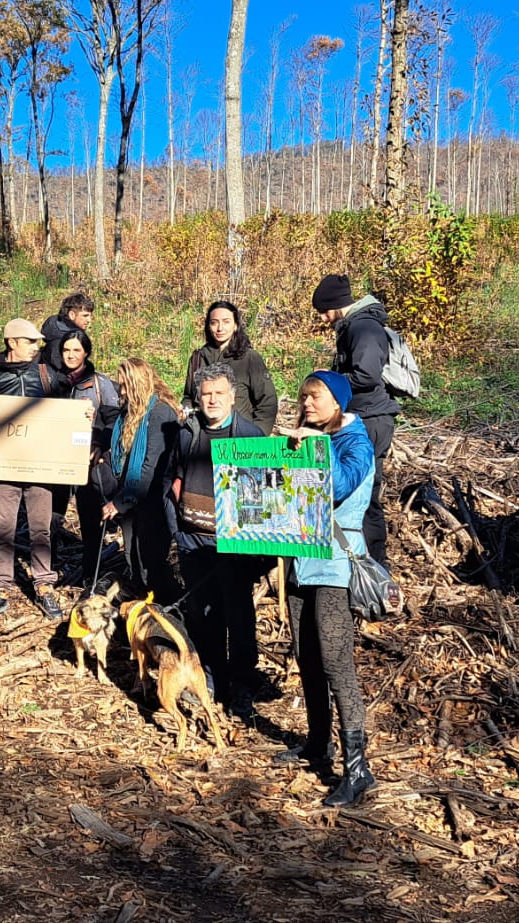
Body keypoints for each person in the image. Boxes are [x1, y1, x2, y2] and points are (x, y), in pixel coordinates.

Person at [274, 371, 377, 808]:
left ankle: (358, 771)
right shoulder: (308, 438)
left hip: (334, 563)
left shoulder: (356, 443)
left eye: (315, 397)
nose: (307, 404)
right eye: (303, 398)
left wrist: (312, 447)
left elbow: (336, 487)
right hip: (300, 559)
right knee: (306, 655)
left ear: (337, 401)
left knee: (337, 663)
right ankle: (318, 742)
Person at [170, 362, 267, 711]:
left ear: (232, 396)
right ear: (197, 396)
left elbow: (266, 497)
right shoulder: (187, 432)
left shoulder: (250, 436)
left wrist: (258, 552)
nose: (212, 400)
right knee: (201, 613)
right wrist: (178, 533)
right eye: (206, 393)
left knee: (238, 613)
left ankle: (242, 682)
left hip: (233, 543)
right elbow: (173, 482)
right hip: (193, 539)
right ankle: (210, 676)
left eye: (218, 393)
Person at [0, 318, 80, 621]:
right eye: (31, 342)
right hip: (5, 469)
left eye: (38, 342)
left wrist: (83, 411)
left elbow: (69, 410)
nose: (37, 347)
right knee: (3, 529)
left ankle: (44, 586)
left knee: (40, 529)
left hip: (41, 467)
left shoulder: (48, 376)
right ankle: (0, 589)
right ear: (12, 343)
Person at [313, 274, 402, 611]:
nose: (323, 318)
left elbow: (366, 374)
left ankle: (375, 574)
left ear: (336, 305)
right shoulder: (357, 326)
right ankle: (360, 572)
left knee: (365, 499)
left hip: (371, 419)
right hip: (365, 417)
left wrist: (333, 380)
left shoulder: (363, 328)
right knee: (361, 497)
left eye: (324, 311)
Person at [106, 357, 183, 603]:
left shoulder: (160, 412)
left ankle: (167, 607)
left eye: (126, 385)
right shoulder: (128, 412)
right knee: (132, 557)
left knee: (151, 561)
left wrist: (120, 502)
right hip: (131, 499)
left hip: (152, 499)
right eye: (120, 385)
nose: (122, 391)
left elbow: (151, 465)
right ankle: (142, 606)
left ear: (139, 383)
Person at [49, 328, 121, 589]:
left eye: (76, 350)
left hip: (88, 464)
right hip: (57, 461)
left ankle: (91, 572)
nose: (70, 355)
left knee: (90, 520)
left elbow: (114, 421)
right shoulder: (50, 382)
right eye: (66, 350)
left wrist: (101, 444)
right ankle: (49, 569)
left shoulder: (101, 385)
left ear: (86, 353)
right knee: (52, 517)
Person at [183, 300, 278, 435]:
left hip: (238, 438)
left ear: (235, 325)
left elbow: (267, 402)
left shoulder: (250, 358)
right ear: (208, 326)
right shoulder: (198, 359)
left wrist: (257, 436)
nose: (220, 328)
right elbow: (188, 397)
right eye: (214, 322)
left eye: (226, 321)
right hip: (202, 436)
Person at [40, 291, 95, 355]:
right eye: (85, 316)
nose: (89, 320)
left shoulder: (62, 326)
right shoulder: (61, 343)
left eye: (90, 316)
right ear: (72, 315)